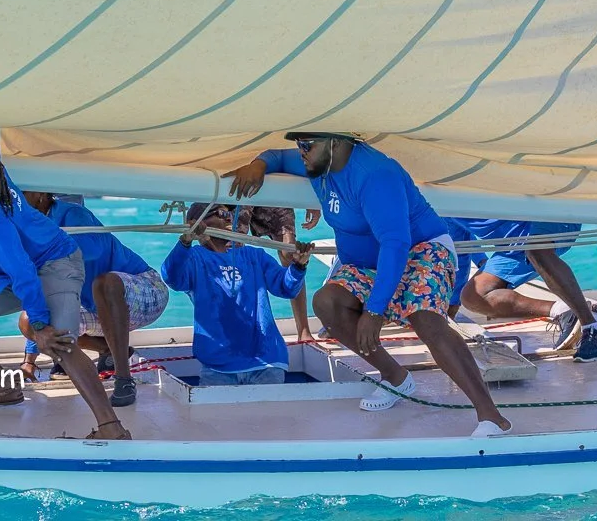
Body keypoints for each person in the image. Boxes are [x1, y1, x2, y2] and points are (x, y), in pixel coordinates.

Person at [228, 132, 513, 437]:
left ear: (336, 143)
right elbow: (278, 156)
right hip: (368, 263)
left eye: (307, 145)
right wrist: (258, 165)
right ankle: (396, 378)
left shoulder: (376, 176)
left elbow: (396, 243)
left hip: (421, 249)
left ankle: (491, 415)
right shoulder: (317, 162)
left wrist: (374, 311)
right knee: (327, 303)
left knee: (426, 319)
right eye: (299, 144)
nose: (301, 152)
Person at [0, 129, 128, 438]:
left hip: (53, 263)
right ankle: (0, 384)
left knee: (60, 343)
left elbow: (22, 270)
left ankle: (110, 427)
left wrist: (41, 325)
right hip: (6, 273)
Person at [17, 190, 168, 408]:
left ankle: (124, 380)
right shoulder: (29, 228)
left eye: (20, 194)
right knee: (28, 320)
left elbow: (86, 252)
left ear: (41, 195)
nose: (14, 200)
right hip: (96, 306)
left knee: (104, 283)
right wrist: (29, 361)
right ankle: (107, 349)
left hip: (146, 291)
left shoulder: (73, 214)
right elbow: (39, 295)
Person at [161, 202, 312, 385]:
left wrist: (298, 266)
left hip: (267, 363)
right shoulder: (194, 258)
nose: (229, 217)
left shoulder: (254, 255)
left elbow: (286, 287)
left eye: (230, 213)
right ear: (199, 222)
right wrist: (185, 242)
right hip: (218, 366)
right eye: (221, 213)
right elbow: (171, 277)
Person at [445, 219, 597, 361]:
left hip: (548, 216)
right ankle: (563, 311)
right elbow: (460, 250)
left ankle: (592, 328)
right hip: (511, 248)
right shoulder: (444, 205)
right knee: (472, 297)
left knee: (536, 250)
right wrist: (451, 305)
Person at [244, 204, 322, 343]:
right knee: (230, 246)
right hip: (239, 191)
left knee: (290, 253)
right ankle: (236, 328)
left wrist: (310, 201)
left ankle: (303, 330)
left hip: (272, 189)